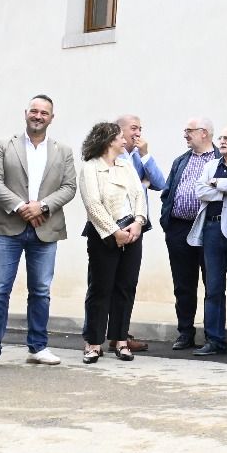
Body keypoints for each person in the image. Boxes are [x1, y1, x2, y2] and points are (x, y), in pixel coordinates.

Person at [0, 96, 77, 370]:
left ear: (52, 118)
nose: (38, 116)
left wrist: (41, 206)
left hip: (45, 228)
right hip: (7, 227)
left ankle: (38, 347)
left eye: (44, 112)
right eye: (34, 111)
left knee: (41, 291)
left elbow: (69, 187)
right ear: (25, 114)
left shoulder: (62, 150)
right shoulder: (4, 146)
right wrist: (20, 207)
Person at [79, 121, 147, 363]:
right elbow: (92, 204)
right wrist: (113, 231)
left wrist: (138, 222)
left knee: (125, 287)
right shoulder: (90, 168)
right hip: (103, 236)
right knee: (100, 288)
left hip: (132, 233)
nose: (124, 140)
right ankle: (93, 342)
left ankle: (120, 340)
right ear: (109, 141)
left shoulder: (126, 165)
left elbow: (139, 195)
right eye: (120, 137)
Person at [159, 117, 219, 349]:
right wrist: (167, 221)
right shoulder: (180, 161)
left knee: (212, 283)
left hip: (209, 227)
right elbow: (168, 191)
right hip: (179, 228)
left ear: (204, 133)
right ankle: (185, 332)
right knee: (183, 284)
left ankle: (213, 335)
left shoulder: (219, 159)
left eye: (189, 131)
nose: (185, 134)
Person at [110, 114, 166, 352]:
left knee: (126, 283)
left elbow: (161, 183)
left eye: (140, 129)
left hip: (136, 226)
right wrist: (139, 182)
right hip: (111, 226)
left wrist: (145, 156)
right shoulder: (110, 155)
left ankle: (120, 335)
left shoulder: (137, 157)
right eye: (134, 128)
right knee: (104, 284)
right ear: (119, 131)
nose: (138, 133)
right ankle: (95, 336)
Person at [190, 126, 227, 355]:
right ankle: (214, 340)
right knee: (213, 288)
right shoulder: (210, 165)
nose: (221, 141)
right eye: (220, 138)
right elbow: (199, 191)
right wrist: (224, 187)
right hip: (212, 229)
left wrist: (216, 184)